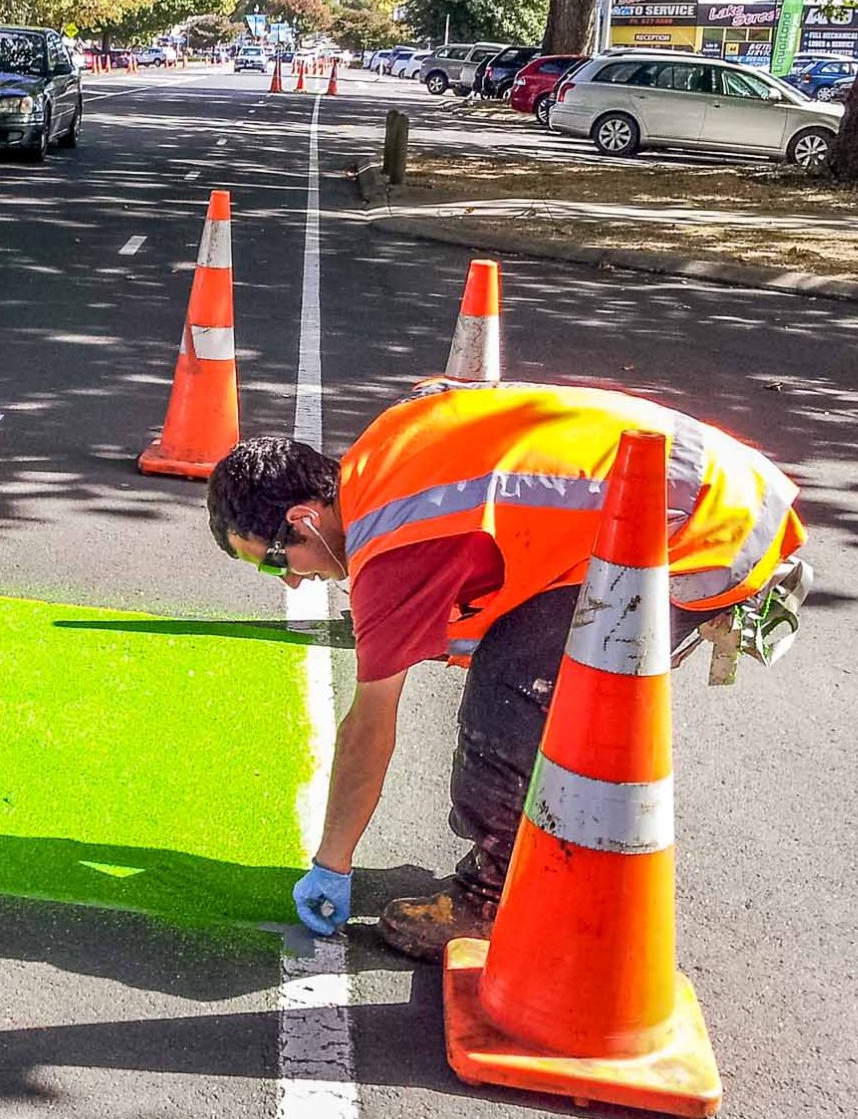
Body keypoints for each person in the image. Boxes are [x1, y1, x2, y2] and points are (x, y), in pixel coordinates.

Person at [205, 381, 809, 962]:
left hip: (700, 532)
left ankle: (489, 900)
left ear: (305, 518)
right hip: (709, 487)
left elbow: (369, 730)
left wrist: (331, 864)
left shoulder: (392, 548)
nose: (288, 580)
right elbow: (451, 391)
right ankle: (546, 855)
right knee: (527, 658)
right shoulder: (381, 453)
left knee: (511, 690)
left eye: (276, 562)